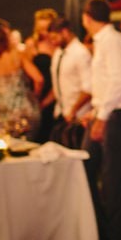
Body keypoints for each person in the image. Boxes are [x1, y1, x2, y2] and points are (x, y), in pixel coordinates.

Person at [81, 0, 121, 240]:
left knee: (112, 176)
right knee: (86, 167)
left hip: (117, 114)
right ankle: (101, 229)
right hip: (106, 111)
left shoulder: (112, 41)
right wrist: (96, 110)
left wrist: (102, 116)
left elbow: (120, 80)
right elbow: (108, 82)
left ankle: (116, 237)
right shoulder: (103, 41)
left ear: (87, 18)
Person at [0, 18, 42, 132]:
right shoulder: (18, 55)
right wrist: (35, 98)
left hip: (6, 114)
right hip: (28, 110)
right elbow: (39, 79)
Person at [47, 16, 92, 148]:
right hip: (61, 113)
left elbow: (88, 88)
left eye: (55, 37)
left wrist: (73, 110)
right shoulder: (58, 53)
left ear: (65, 32)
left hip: (78, 116)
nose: (53, 42)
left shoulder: (81, 53)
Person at [25, 8, 58, 143]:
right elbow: (27, 74)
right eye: (41, 29)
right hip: (38, 92)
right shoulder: (32, 44)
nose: (44, 32)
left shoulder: (58, 44)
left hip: (56, 90)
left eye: (47, 28)